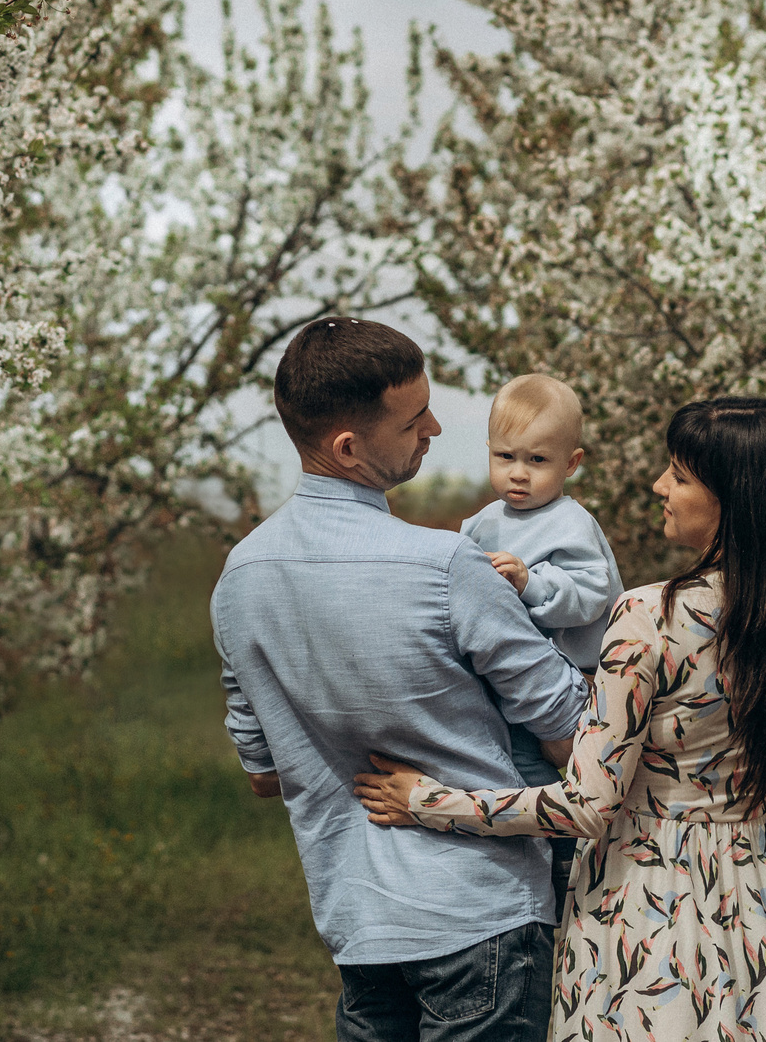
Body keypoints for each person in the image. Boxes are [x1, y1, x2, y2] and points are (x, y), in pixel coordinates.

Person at [353, 397, 766, 1042]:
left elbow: (587, 805)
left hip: (648, 901)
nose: (658, 486)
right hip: (756, 892)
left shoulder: (651, 616)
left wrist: (428, 801)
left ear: (735, 497)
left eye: (679, 474)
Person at [213, 318, 589, 1042]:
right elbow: (571, 732)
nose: (437, 427)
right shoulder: (446, 567)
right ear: (348, 447)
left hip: (359, 921)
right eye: (415, 418)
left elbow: (264, 774)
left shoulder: (240, 579)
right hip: (485, 917)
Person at [459, 373, 622, 915]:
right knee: (511, 770)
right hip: (508, 685)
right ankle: (520, 866)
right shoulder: (480, 525)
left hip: (572, 681)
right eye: (505, 456)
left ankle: (565, 866)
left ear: (571, 464)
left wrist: (532, 582)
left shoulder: (571, 523)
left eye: (537, 460)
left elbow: (592, 596)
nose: (518, 474)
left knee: (559, 781)